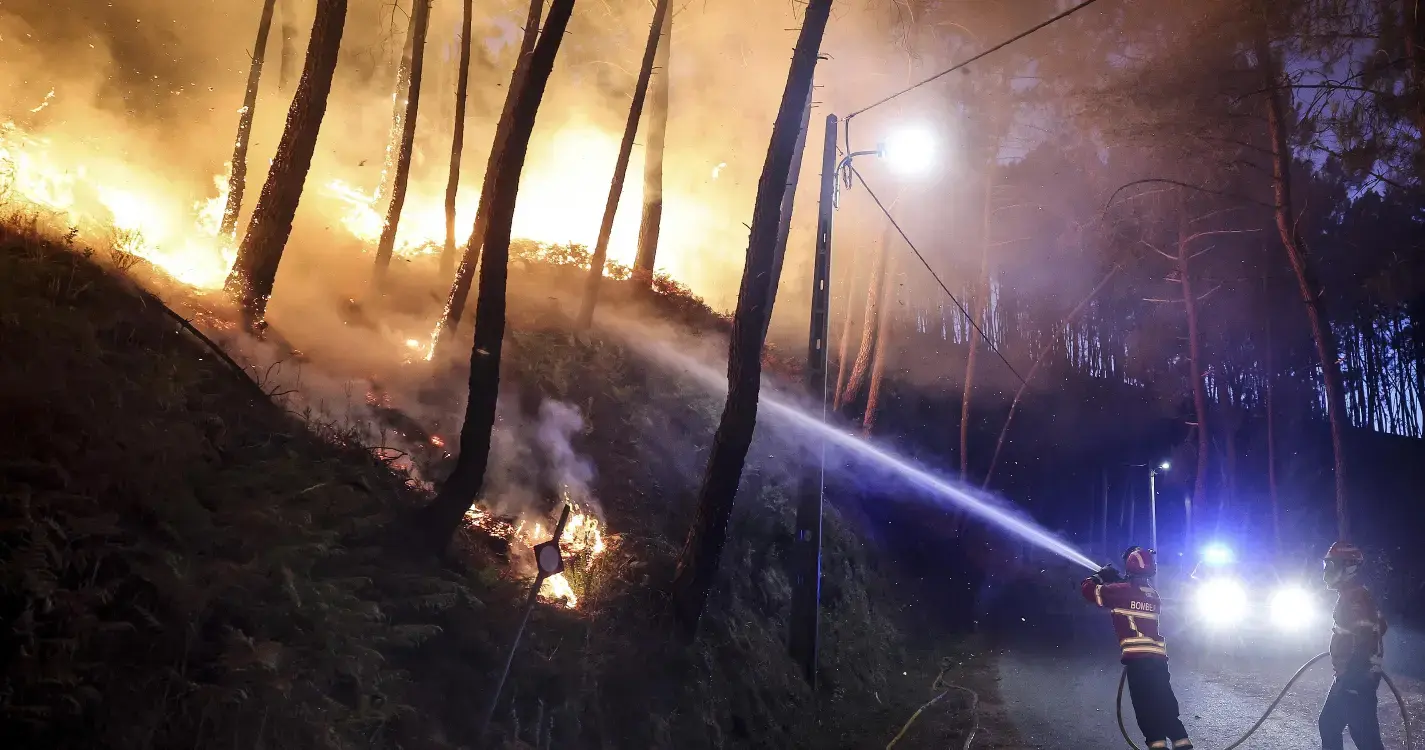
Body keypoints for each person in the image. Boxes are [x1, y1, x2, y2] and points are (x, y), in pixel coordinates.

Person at [1081, 546, 1193, 750]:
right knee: (1164, 702)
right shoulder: (1153, 595)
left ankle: (1157, 745)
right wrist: (1119, 582)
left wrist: (1100, 576)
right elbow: (1133, 595)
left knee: (1145, 706)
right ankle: (1182, 741)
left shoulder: (1120, 591)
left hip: (1138, 662)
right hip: (1159, 660)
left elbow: (1088, 590)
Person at [1319, 541, 1387, 750]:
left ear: (1348, 567)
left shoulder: (1356, 598)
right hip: (1350, 676)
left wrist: (1352, 681)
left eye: (1331, 565)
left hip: (1357, 679)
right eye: (1326, 565)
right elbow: (1380, 626)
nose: (1327, 571)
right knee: (1330, 725)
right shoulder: (1352, 594)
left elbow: (1366, 638)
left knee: (1365, 739)